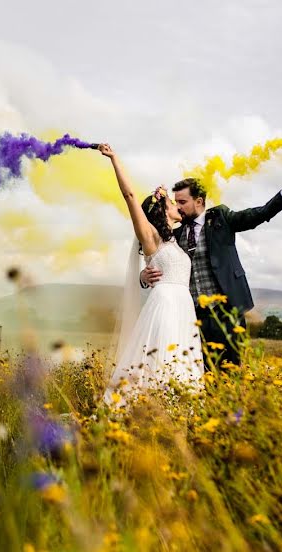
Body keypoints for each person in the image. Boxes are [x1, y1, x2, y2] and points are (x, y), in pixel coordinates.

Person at [141, 157, 282, 369]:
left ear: (199, 201)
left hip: (226, 313)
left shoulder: (221, 218)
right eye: (176, 202)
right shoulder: (174, 234)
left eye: (183, 202)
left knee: (229, 372)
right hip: (191, 316)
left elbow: (261, 213)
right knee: (198, 374)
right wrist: (143, 276)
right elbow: (155, 255)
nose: (179, 207)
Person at [98, 143, 203, 402]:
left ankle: (178, 419)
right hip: (165, 306)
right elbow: (130, 196)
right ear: (161, 209)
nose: (178, 206)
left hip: (184, 308)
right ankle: (151, 417)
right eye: (172, 202)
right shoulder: (150, 237)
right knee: (161, 364)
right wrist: (114, 159)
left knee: (183, 367)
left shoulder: (173, 239)